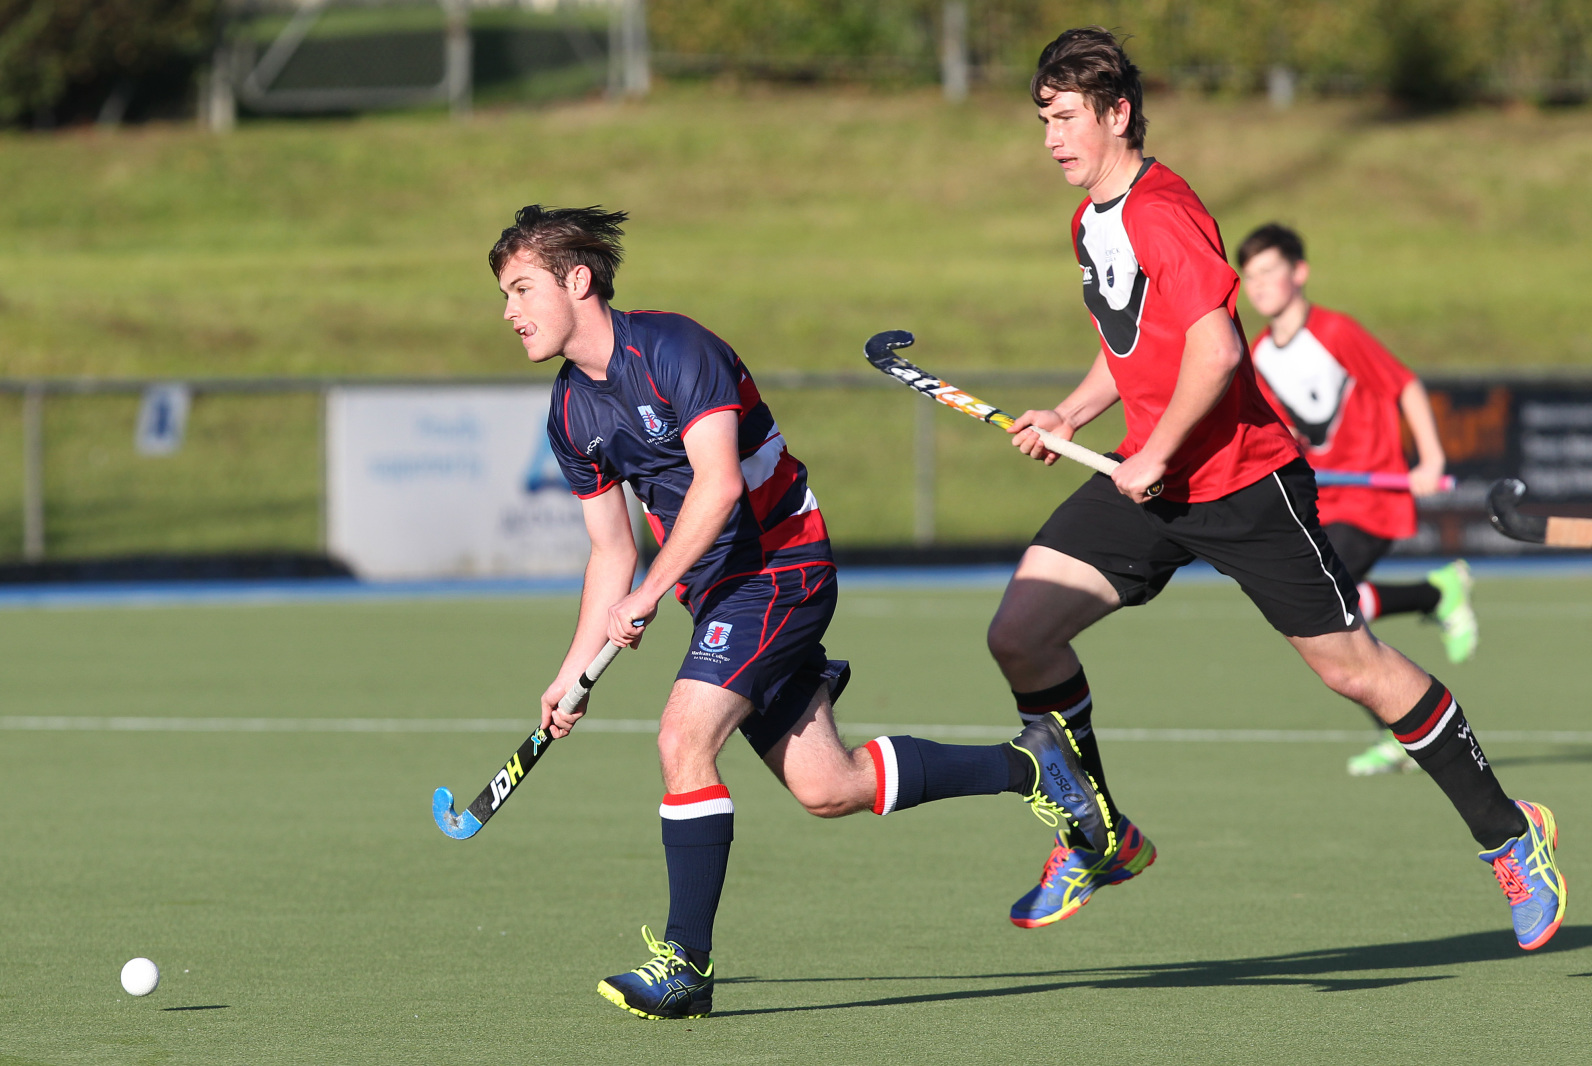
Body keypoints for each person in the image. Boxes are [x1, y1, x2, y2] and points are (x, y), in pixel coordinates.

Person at [984, 28, 1564, 950]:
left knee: (1353, 668)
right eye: (1043, 121)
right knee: (1021, 633)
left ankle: (1509, 834)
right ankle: (1099, 836)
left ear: (1118, 113)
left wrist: (1157, 452)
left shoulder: (1162, 212)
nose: (1051, 139)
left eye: (1065, 119)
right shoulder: (1089, 221)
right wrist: (1070, 413)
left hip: (1243, 481)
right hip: (1153, 480)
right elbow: (1132, 340)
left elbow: (1217, 350)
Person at [491, 204, 1112, 1021]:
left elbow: (719, 486)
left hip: (780, 565)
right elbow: (611, 552)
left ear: (578, 281)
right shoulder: (571, 411)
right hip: (717, 593)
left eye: (522, 289)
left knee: (682, 739)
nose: (510, 312)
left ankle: (685, 965)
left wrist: (648, 593)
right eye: (504, 296)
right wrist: (571, 674)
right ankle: (1036, 765)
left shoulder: (675, 350)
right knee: (829, 786)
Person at [1237, 223, 1479, 777]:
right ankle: (1433, 600)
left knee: (1323, 611)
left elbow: (1404, 385)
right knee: (1330, 626)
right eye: (1250, 276)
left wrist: (1431, 458)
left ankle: (1435, 602)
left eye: (1270, 271)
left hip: (1373, 499)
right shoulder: (1258, 355)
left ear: (1300, 273)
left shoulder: (1336, 331)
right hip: (1322, 501)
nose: (1260, 285)